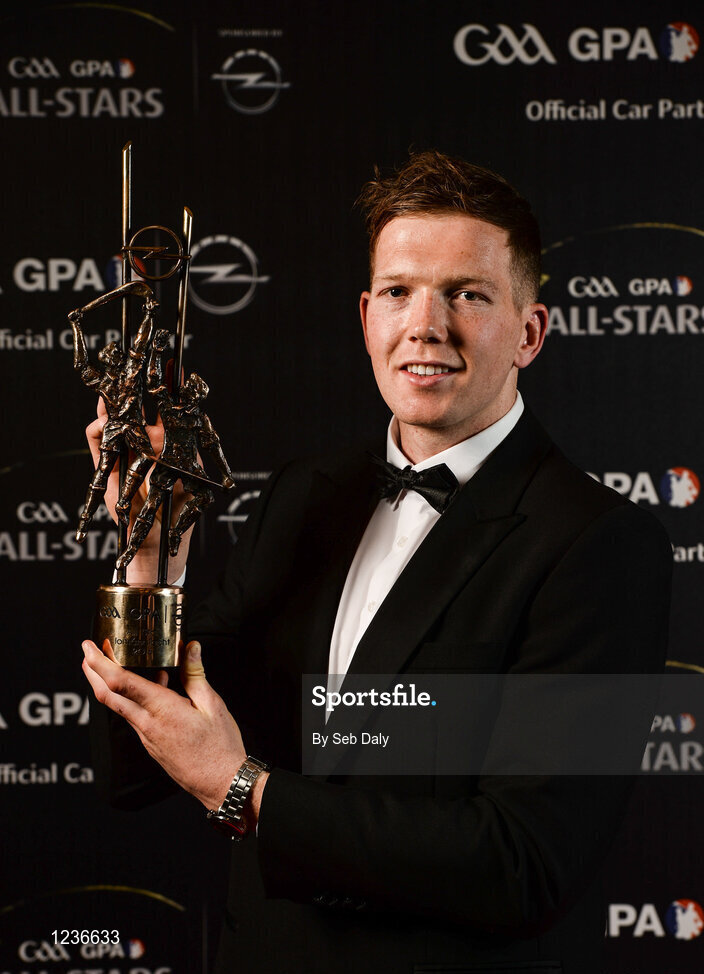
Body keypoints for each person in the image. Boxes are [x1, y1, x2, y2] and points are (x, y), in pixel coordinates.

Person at [81, 150, 672, 974]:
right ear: (367, 318)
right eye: (399, 292)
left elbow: (526, 864)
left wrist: (245, 789)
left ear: (530, 333)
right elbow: (144, 763)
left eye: (467, 294)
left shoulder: (602, 544)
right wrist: (151, 560)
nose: (425, 325)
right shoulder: (304, 493)